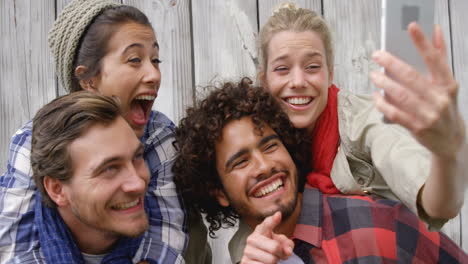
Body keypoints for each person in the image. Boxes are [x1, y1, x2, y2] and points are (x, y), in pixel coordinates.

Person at [173, 79, 467, 263]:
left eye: (270, 146)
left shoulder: (376, 225)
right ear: (219, 192)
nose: (264, 166)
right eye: (240, 162)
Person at [0, 0, 186, 262]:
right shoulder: (34, 142)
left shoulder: (158, 133)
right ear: (88, 80)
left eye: (156, 60)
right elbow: (13, 243)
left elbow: (166, 231)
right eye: (134, 59)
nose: (154, 74)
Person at [256, 3, 467, 228]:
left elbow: (439, 205)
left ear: (330, 74)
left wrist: (447, 153)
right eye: (282, 69)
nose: (298, 82)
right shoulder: (257, 143)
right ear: (265, 81)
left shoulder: (365, 121)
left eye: (312, 67)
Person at [31, 92, 153, 263]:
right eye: (110, 168)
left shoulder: (183, 244)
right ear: (57, 190)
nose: (138, 184)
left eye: (137, 157)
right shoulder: (20, 250)